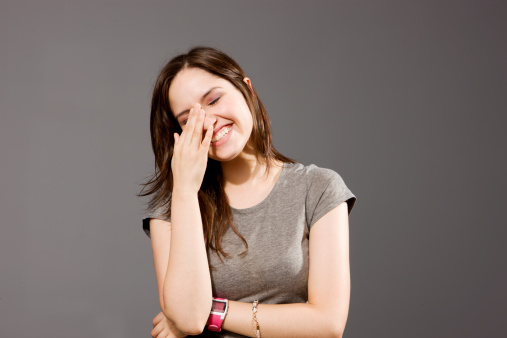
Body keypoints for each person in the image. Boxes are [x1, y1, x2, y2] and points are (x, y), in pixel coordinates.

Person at [138, 46, 357, 338]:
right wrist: (186, 191)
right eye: (189, 120)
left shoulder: (318, 188)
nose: (208, 121)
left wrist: (214, 310)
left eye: (214, 100)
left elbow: (327, 324)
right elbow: (190, 319)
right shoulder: (173, 206)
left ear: (247, 89)